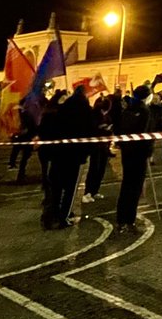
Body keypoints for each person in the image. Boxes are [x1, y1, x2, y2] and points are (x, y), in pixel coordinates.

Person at [45, 86, 96, 229]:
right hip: (75, 155)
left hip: (58, 153)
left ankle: (53, 214)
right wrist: (87, 151)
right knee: (70, 189)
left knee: (56, 187)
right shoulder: (85, 110)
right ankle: (64, 217)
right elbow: (90, 131)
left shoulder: (62, 109)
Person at [115, 85, 153, 234]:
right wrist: (148, 152)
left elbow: (120, 129)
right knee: (135, 188)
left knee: (126, 185)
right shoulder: (144, 111)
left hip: (127, 152)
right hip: (138, 153)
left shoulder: (127, 109)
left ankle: (121, 219)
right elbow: (145, 134)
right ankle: (129, 220)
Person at [83, 93, 114, 202]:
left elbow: (110, 126)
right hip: (95, 146)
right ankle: (87, 192)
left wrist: (109, 130)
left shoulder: (107, 116)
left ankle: (95, 191)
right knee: (94, 168)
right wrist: (102, 129)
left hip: (104, 146)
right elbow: (91, 130)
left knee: (101, 169)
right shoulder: (94, 115)